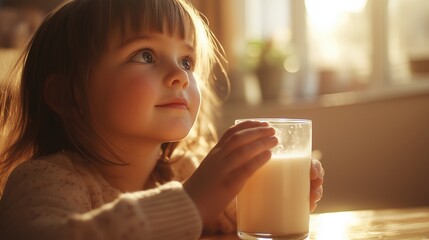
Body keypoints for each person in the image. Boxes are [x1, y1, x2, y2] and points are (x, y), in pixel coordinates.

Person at [0, 0, 325, 239]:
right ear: (68, 95)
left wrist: (283, 198)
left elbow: (233, 220)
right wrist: (191, 201)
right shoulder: (43, 179)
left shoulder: (185, 168)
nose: (179, 76)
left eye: (186, 61)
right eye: (145, 55)